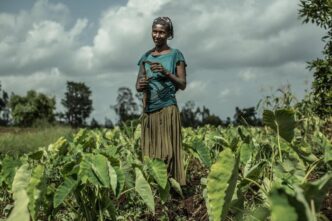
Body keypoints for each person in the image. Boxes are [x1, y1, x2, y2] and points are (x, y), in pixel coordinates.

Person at [135, 17, 187, 185]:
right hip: (149, 110)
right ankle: (157, 189)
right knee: (151, 154)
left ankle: (172, 188)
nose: (157, 35)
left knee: (168, 151)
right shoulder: (145, 57)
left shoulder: (175, 55)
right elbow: (137, 85)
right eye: (155, 31)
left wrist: (166, 72)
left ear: (169, 34)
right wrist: (141, 85)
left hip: (167, 109)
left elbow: (182, 84)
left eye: (162, 32)